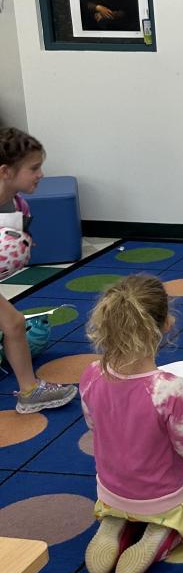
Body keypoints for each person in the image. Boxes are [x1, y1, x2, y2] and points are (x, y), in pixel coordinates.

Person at [80, 275, 183, 573]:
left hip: (111, 489)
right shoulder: (168, 389)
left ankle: (115, 521)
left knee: (120, 496)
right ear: (166, 324)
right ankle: (164, 533)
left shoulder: (91, 375)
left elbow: (94, 425)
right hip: (164, 495)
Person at [0, 127, 77, 413]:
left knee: (14, 323)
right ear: (6, 171)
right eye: (33, 168)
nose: (41, 174)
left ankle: (30, 391)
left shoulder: (16, 203)